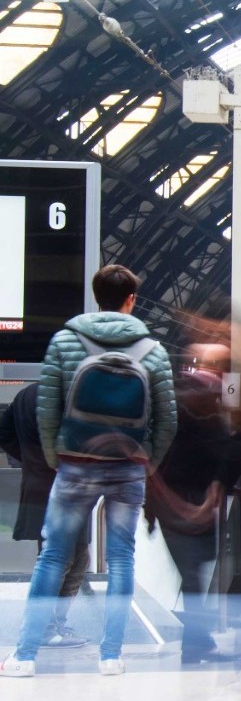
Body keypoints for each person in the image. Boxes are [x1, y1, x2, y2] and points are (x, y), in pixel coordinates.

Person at [0, 265, 177, 678]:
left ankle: (25, 656)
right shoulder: (153, 351)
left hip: (75, 465)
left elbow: (48, 408)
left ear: (96, 296)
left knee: (53, 556)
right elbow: (167, 419)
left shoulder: (66, 340)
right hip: (127, 466)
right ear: (131, 299)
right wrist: (145, 458)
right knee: (121, 558)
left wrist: (55, 456)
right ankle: (111, 656)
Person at [146, 350, 240, 665]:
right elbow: (225, 453)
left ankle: (198, 641)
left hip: (171, 500)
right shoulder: (209, 411)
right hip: (192, 500)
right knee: (194, 571)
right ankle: (196, 643)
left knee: (193, 572)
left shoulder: (170, 407)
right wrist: (218, 485)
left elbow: (154, 451)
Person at [0, 383, 89, 648]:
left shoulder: (27, 394)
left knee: (70, 558)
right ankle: (46, 627)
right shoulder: (71, 396)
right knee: (63, 559)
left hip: (41, 485)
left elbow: (4, 433)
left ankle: (52, 625)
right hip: (68, 487)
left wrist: (29, 459)